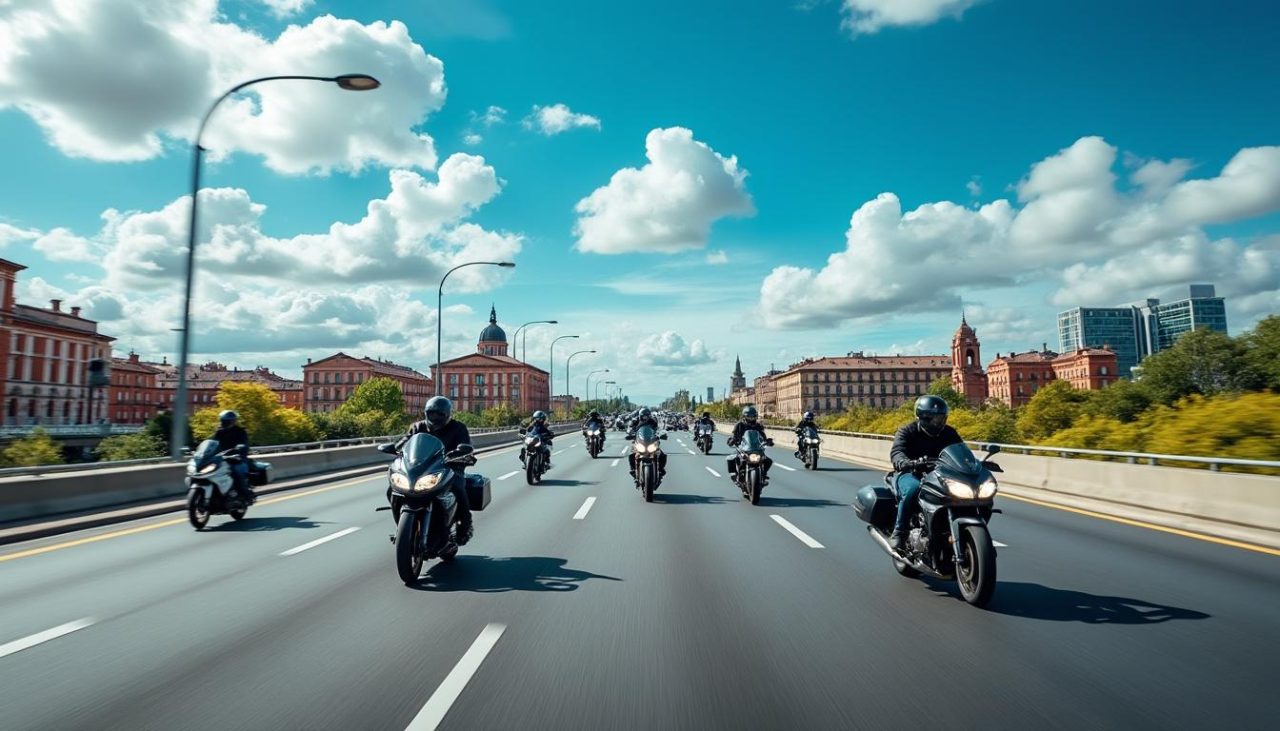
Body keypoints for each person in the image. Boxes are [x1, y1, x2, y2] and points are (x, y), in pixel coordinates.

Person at [888, 395, 964, 551]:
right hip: (912, 473)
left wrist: (974, 463)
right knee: (913, 489)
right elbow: (897, 451)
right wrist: (904, 462)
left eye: (941, 418)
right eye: (933, 419)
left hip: (940, 476)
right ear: (922, 418)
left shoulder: (949, 433)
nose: (938, 423)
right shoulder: (907, 431)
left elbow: (961, 452)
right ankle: (900, 531)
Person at [399, 396, 476, 545]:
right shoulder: (417, 427)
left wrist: (463, 454)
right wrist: (395, 448)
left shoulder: (458, 428)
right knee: (393, 489)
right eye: (432, 413)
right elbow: (405, 442)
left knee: (459, 487)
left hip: (450, 467)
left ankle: (465, 525)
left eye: (439, 414)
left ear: (447, 414)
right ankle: (404, 524)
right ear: (426, 413)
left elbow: (466, 445)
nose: (435, 417)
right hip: (422, 469)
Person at [213, 410, 252, 502]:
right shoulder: (219, 432)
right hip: (222, 458)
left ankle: (245, 494)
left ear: (233, 421)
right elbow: (213, 443)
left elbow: (245, 443)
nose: (225, 422)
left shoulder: (240, 431)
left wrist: (241, 447)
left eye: (228, 421)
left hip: (237, 458)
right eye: (224, 421)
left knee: (237, 473)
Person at [725, 406, 772, 484]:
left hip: (756, 448)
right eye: (749, 416)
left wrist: (767, 441)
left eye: (753, 416)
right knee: (731, 459)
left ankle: (763, 475)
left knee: (768, 461)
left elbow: (763, 436)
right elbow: (734, 435)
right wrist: (733, 440)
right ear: (744, 416)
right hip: (742, 447)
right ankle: (734, 474)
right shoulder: (739, 425)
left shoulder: (758, 426)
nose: (751, 418)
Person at [627, 407, 667, 478]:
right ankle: (633, 469)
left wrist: (661, 434)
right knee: (632, 454)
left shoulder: (653, 421)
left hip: (651, 442)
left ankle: (661, 469)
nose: (645, 418)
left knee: (662, 455)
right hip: (639, 441)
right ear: (640, 416)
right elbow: (630, 428)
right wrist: (630, 433)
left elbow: (658, 429)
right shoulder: (635, 421)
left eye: (647, 416)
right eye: (644, 416)